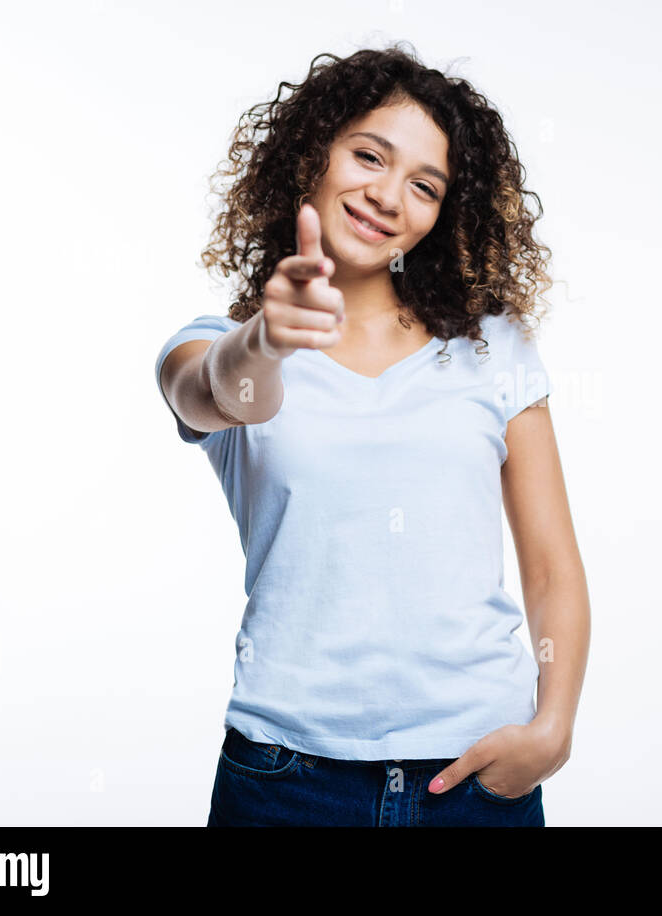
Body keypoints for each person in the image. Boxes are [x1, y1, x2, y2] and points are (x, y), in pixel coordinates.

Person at [153, 44, 589, 826]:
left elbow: (552, 564)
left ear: (443, 214)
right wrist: (269, 337)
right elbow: (216, 394)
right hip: (283, 782)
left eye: (425, 186)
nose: (389, 195)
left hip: (476, 778)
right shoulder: (219, 344)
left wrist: (551, 731)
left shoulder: (495, 349)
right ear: (313, 151)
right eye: (368, 156)